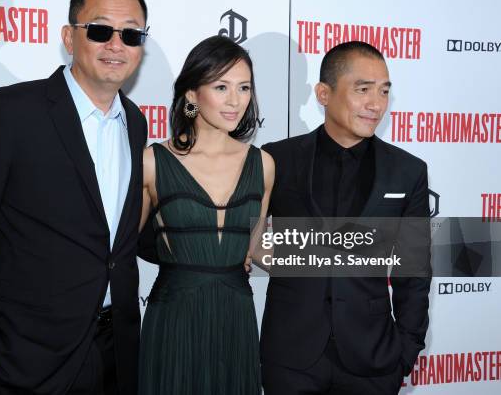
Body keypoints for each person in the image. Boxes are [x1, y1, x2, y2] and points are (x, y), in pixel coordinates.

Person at [0, 0, 150, 395]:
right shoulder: (10, 113)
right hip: (32, 359)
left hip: (117, 354)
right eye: (100, 30)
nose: (116, 44)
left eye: (131, 34)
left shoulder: (134, 123)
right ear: (70, 37)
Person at [260, 41, 431, 395]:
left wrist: (405, 351)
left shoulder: (407, 171)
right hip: (291, 358)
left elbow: (413, 271)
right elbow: (253, 242)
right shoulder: (277, 159)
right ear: (324, 93)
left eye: (384, 91)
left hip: (373, 360)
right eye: (363, 89)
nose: (376, 104)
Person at [137, 35, 274, 395]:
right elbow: (120, 250)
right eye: (221, 86)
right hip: (173, 320)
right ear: (193, 95)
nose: (235, 100)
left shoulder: (263, 165)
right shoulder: (153, 162)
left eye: (244, 87)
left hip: (236, 320)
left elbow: (256, 252)